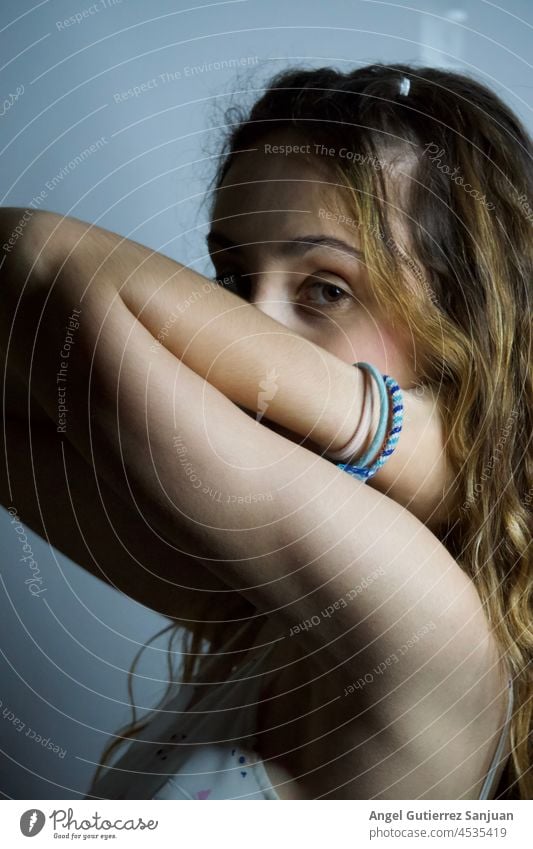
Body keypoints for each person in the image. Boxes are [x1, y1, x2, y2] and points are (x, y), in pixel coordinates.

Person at [0, 63, 530, 800]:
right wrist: (439, 452)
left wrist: (401, 434)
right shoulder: (260, 607)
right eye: (230, 278)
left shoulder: (422, 621)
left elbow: (33, 256)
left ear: (462, 332)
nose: (248, 329)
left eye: (326, 287)